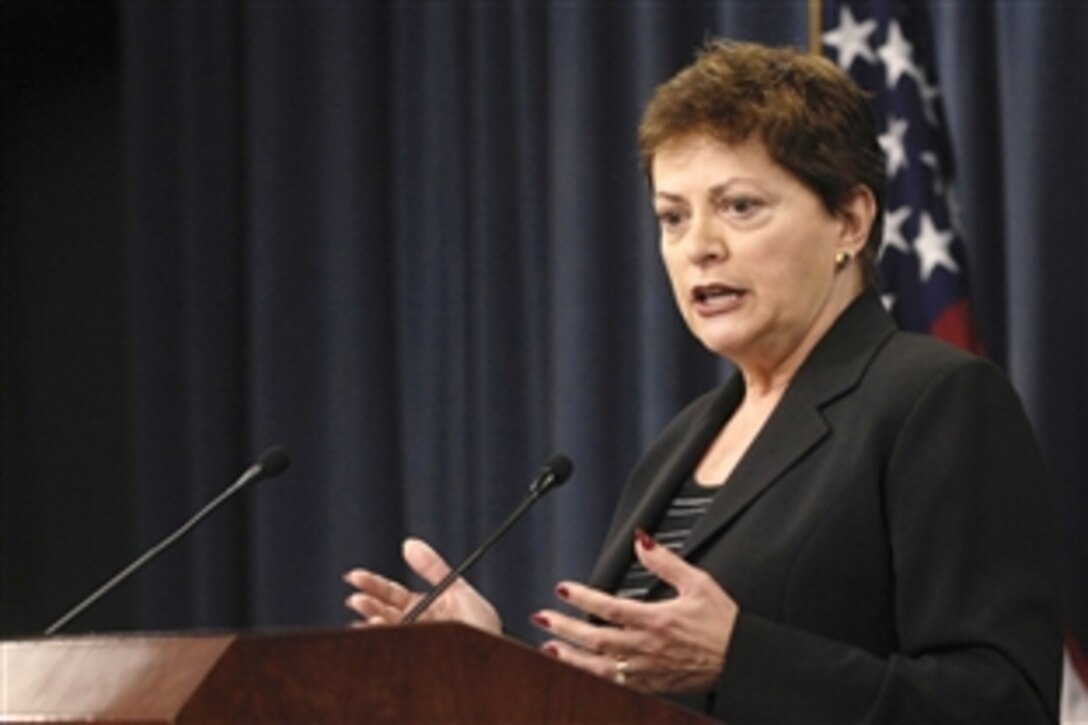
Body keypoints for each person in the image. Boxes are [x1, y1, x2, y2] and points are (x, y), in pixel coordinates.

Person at [344, 40, 1061, 722]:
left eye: (740, 206)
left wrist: (741, 655)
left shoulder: (933, 400)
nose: (699, 247)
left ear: (850, 218)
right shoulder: (684, 440)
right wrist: (492, 659)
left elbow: (1000, 704)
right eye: (672, 217)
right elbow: (635, 700)